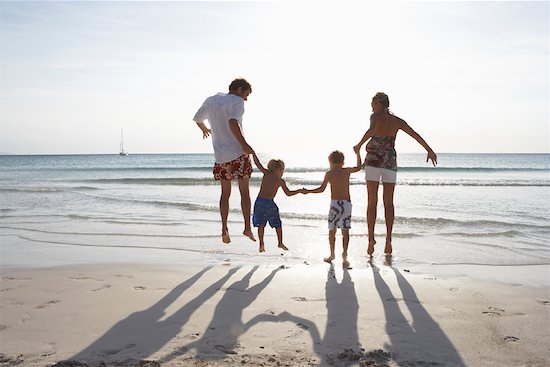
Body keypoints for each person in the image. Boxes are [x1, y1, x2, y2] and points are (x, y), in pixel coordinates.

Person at [353, 92, 437, 256]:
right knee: (387, 202)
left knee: (373, 201)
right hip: (390, 160)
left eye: (374, 103)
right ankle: (387, 240)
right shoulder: (397, 121)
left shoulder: (375, 117)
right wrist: (429, 149)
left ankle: (372, 240)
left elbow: (372, 130)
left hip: (374, 160)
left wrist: (359, 144)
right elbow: (414, 134)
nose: (372, 106)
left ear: (382, 104)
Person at [193, 78, 256, 244]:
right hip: (238, 152)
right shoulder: (237, 101)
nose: (246, 99)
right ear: (239, 89)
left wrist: (205, 129)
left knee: (225, 194)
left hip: (221, 157)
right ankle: (247, 227)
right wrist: (244, 145)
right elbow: (233, 122)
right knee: (245, 193)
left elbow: (197, 118)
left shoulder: (211, 100)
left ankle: (224, 228)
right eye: (246, 94)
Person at [303, 150, 362, 268]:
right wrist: (358, 154)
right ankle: (343, 256)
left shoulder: (330, 173)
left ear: (330, 162)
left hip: (335, 204)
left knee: (332, 230)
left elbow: (321, 189)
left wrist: (308, 191)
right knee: (345, 231)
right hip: (346, 204)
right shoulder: (345, 171)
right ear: (342, 162)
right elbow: (359, 167)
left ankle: (333, 255)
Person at [251, 153, 303, 253]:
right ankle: (279, 242)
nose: (283, 172)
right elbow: (288, 193)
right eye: (282, 170)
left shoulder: (267, 174)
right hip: (269, 203)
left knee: (261, 224)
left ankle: (262, 243)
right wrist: (299, 191)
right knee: (277, 224)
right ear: (278, 169)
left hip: (260, 201)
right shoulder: (279, 180)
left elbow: (258, 164)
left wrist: (253, 154)